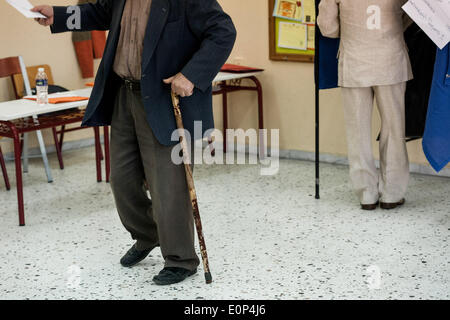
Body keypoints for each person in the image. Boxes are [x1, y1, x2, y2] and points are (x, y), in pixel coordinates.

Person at [32, 0, 236, 285]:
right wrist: (59, 15)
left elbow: (223, 31)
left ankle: (181, 259)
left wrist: (191, 75)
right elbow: (99, 12)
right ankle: (148, 233)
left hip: (164, 100)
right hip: (124, 95)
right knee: (122, 180)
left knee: (168, 184)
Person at [317, 0, 413, 210]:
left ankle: (366, 194)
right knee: (394, 129)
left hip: (354, 60)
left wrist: (352, 32)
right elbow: (410, 14)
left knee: (357, 130)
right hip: (391, 59)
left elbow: (327, 26)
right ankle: (392, 193)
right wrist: (392, 30)